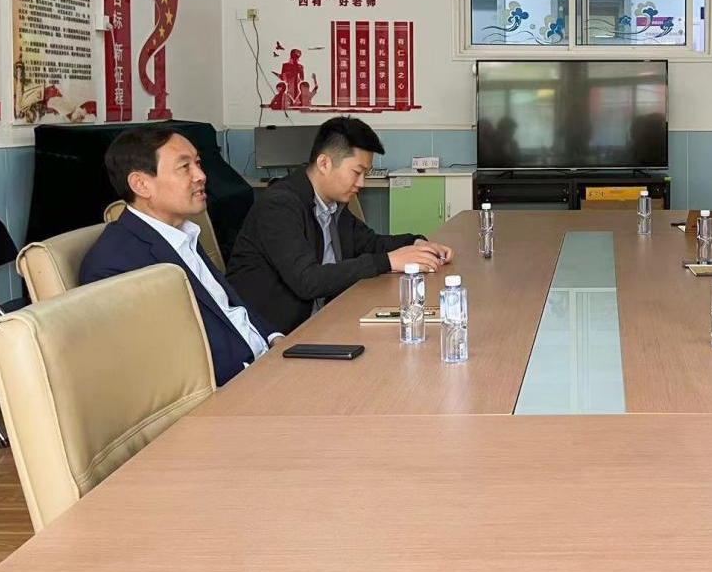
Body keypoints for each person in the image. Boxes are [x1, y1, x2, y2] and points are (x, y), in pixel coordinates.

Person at [80, 127, 280, 387]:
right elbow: (163, 364)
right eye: (184, 167)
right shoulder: (115, 265)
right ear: (141, 184)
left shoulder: (182, 232)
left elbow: (229, 308)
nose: (201, 176)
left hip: (267, 363)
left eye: (198, 163)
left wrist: (274, 337)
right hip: (233, 389)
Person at [227, 117, 454, 334]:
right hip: (274, 334)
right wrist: (388, 261)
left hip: (324, 318)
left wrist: (415, 243)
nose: (361, 183)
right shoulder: (279, 206)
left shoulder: (332, 205)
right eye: (357, 172)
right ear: (324, 163)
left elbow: (369, 243)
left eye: (365, 174)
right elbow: (307, 280)